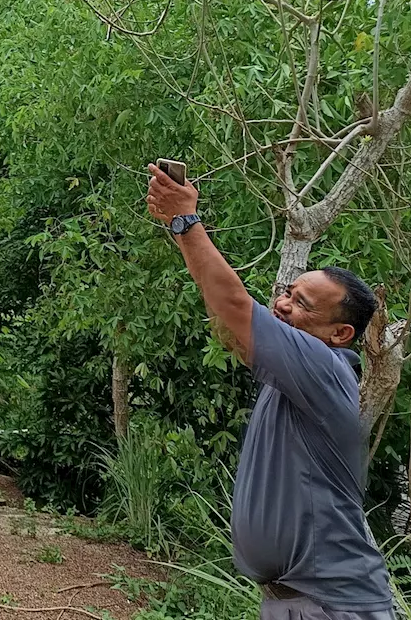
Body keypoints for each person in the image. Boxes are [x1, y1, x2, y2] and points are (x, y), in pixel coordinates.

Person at [145, 163, 396, 620]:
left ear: (340, 334)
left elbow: (236, 306)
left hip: (334, 607)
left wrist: (186, 220)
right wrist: (180, 229)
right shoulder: (293, 378)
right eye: (287, 291)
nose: (281, 303)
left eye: (301, 303)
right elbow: (230, 322)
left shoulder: (324, 368)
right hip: (295, 602)